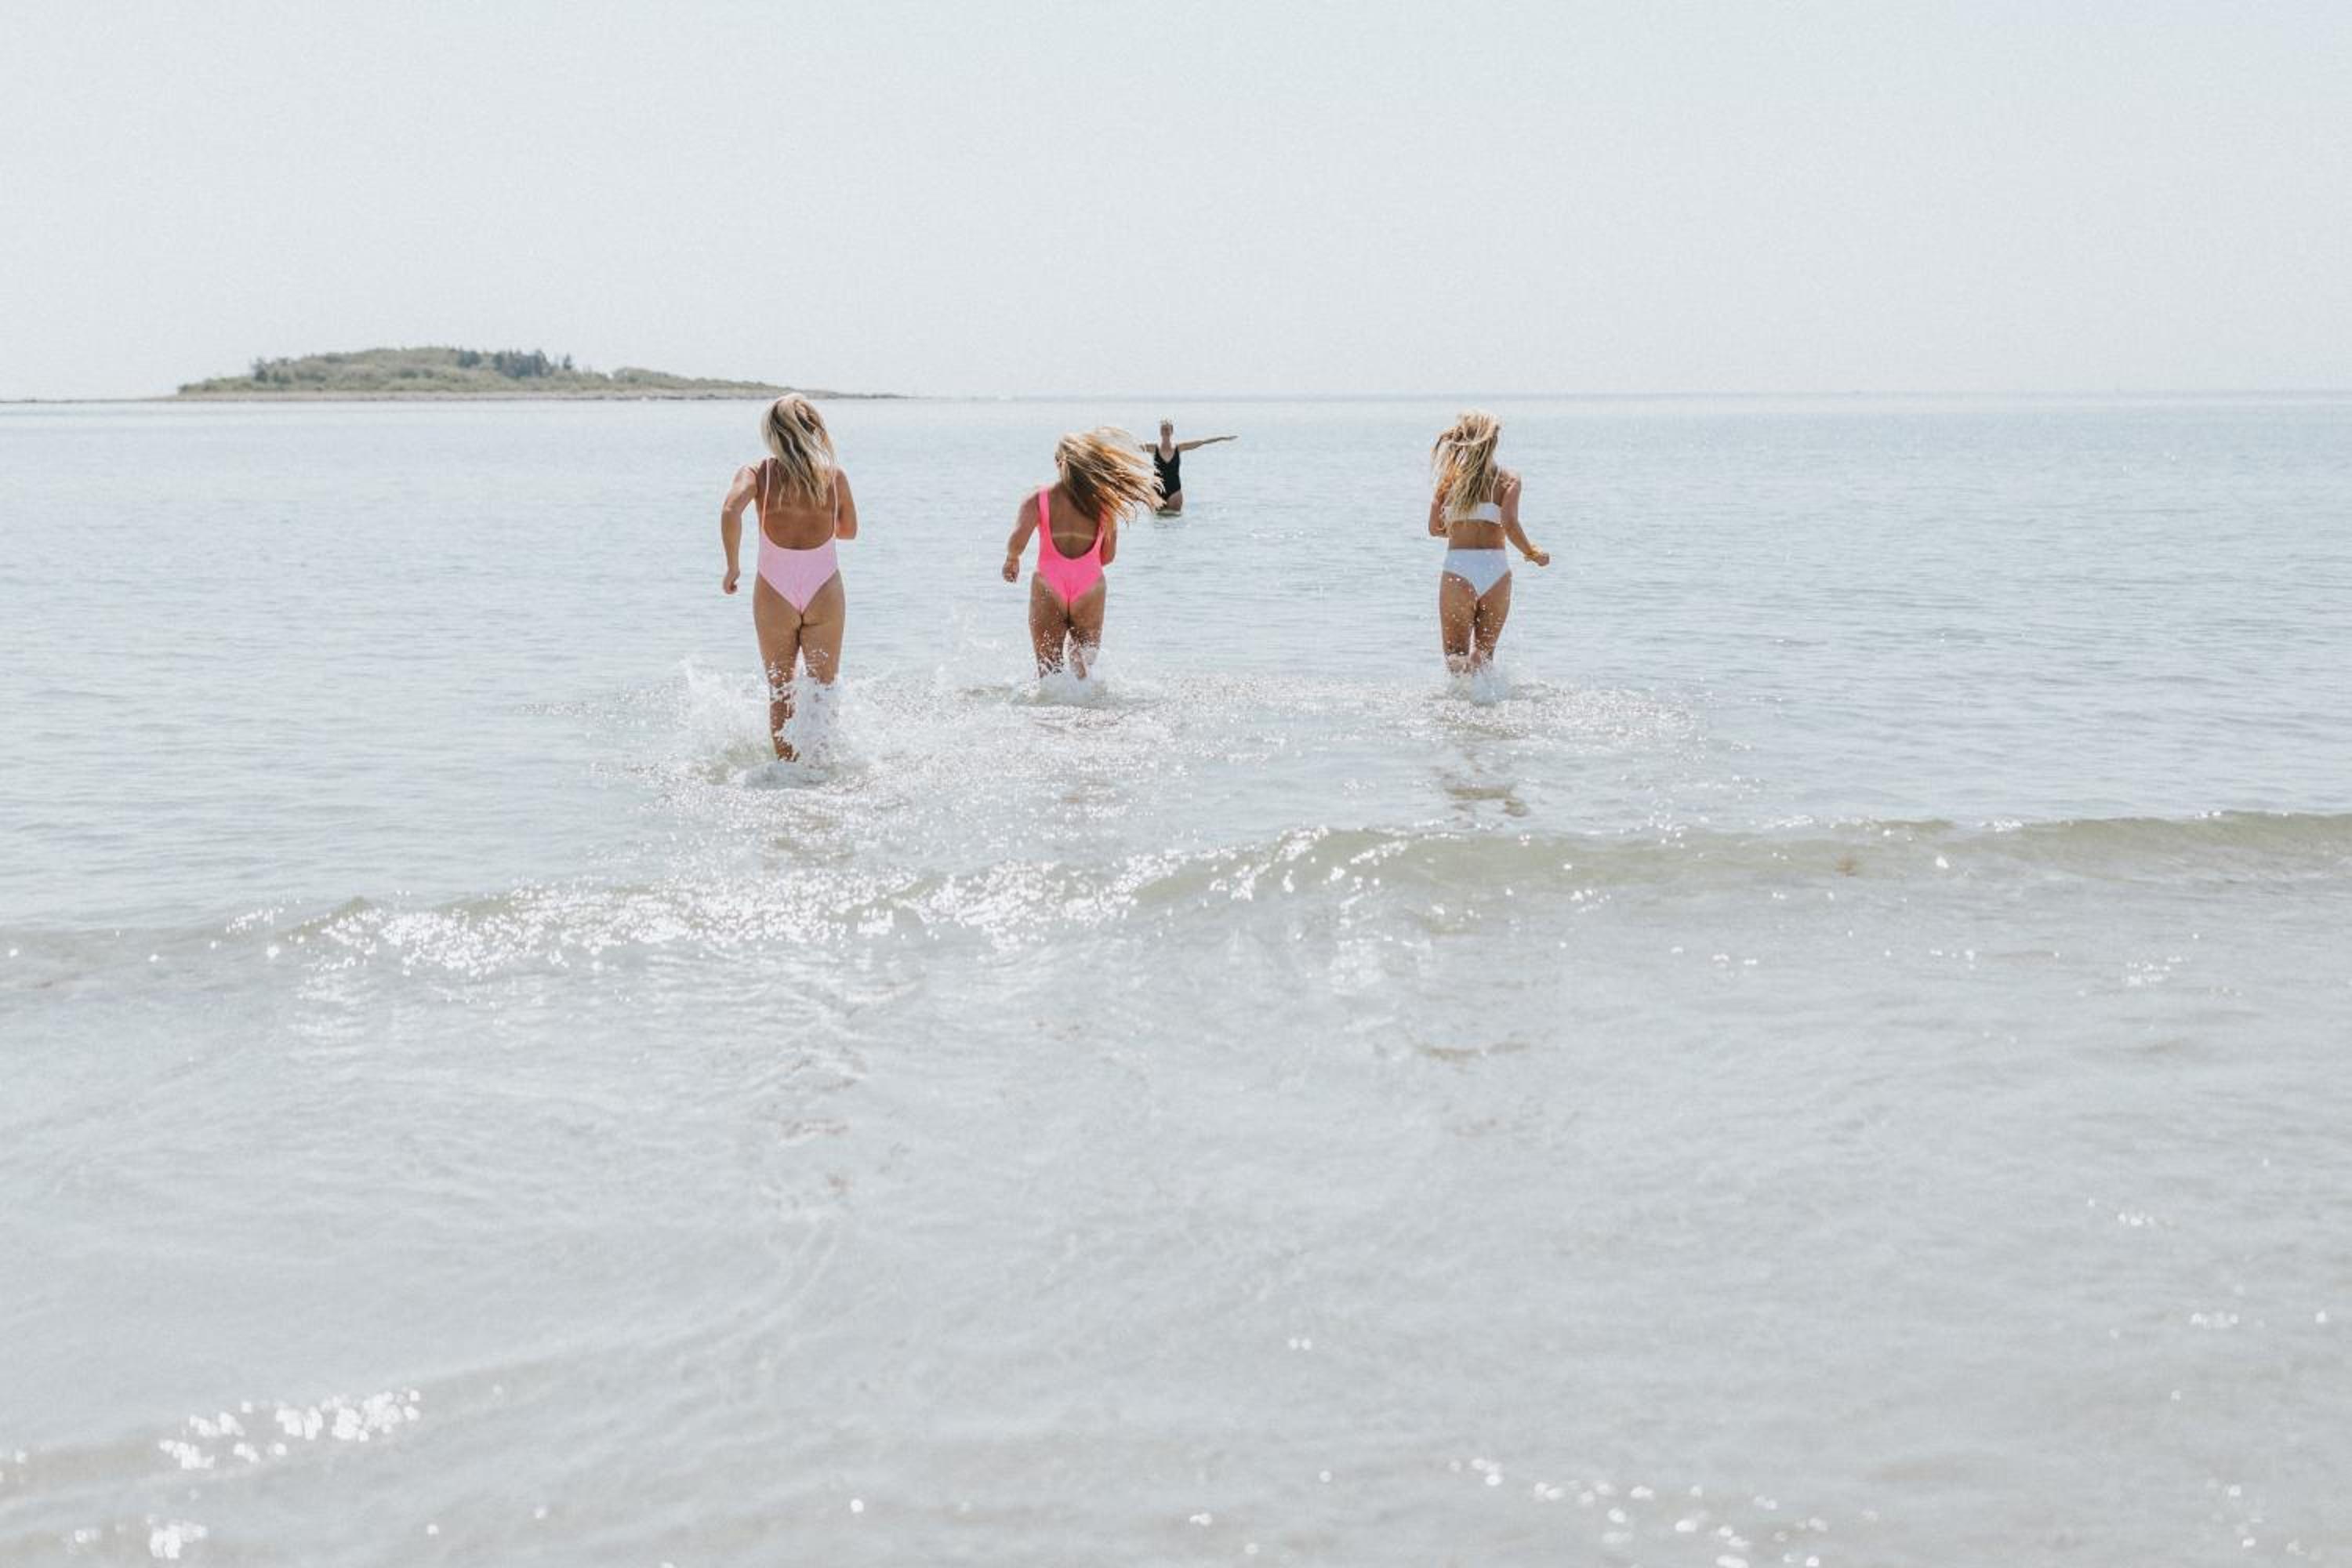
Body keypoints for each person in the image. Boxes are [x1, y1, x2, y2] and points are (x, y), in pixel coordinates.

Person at [720, 394, 858, 760]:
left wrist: (733, 565)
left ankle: (787, 768)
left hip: (774, 590)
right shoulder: (834, 477)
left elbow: (730, 510)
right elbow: (849, 531)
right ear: (814, 430)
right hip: (824, 588)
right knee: (823, 688)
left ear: (771, 433)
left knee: (781, 690)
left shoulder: (757, 474)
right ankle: (820, 766)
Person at [1000, 428, 1160, 677]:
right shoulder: (1104, 503)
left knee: (1049, 670)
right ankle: (1084, 701)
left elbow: (1017, 540)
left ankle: (1052, 704)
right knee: (1082, 668)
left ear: (1057, 462)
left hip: (1048, 581)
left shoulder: (1038, 498)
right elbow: (1108, 556)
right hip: (1090, 585)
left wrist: (1012, 559)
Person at [1428, 409, 1548, 673]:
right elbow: (1510, 524)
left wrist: (1461, 527)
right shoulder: (1509, 480)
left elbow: (1434, 529)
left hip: (1458, 569)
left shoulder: (1449, 481)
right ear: (1494, 442)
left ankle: (1460, 699)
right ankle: (1486, 698)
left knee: (1456, 657)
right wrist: (1532, 553)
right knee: (1484, 658)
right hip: (1496, 571)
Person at [1144, 420, 1236, 514]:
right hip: (1157, 490)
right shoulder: (1153, 448)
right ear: (1160, 432)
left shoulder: (1179, 448)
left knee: (1174, 518)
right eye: (1163, 429)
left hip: (1175, 491)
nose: (1166, 431)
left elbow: (1202, 442)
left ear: (1172, 431)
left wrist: (1222, 438)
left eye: (1168, 429)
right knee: (1158, 519)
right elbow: (1137, 447)